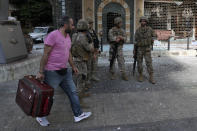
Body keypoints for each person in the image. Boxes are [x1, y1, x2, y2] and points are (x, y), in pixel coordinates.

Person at [36, 16, 92, 127]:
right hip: (52, 72)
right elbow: (45, 54)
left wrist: (73, 66)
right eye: (72, 25)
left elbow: (68, 53)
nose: (73, 27)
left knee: (73, 92)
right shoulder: (53, 35)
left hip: (65, 71)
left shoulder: (68, 37)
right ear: (65, 25)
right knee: (48, 96)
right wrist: (41, 71)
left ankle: (78, 115)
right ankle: (40, 116)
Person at [71, 19, 94, 106]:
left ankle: (81, 94)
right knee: (81, 80)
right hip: (81, 61)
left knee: (80, 79)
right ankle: (79, 101)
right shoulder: (83, 37)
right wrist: (91, 42)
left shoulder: (74, 35)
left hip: (76, 60)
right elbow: (90, 49)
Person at [134, 16, 156, 84]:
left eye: (144, 21)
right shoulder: (137, 30)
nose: (143, 22)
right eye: (142, 21)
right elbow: (135, 41)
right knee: (139, 63)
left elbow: (154, 35)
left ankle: (151, 76)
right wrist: (134, 50)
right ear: (140, 22)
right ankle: (140, 75)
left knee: (149, 63)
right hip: (139, 49)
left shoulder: (150, 29)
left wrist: (152, 39)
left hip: (147, 48)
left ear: (146, 22)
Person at [108, 17, 128, 81]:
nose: (121, 24)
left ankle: (124, 74)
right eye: (120, 23)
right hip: (113, 48)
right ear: (117, 23)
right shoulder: (111, 30)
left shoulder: (122, 30)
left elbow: (125, 39)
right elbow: (111, 38)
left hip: (119, 48)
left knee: (121, 62)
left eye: (121, 22)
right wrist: (117, 38)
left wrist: (121, 38)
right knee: (112, 61)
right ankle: (113, 74)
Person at [86, 18, 100, 82]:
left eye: (91, 23)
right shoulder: (85, 32)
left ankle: (93, 76)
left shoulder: (93, 31)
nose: (91, 25)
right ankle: (88, 79)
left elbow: (96, 40)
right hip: (89, 52)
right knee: (88, 66)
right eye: (89, 23)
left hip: (95, 51)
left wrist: (96, 50)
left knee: (94, 65)